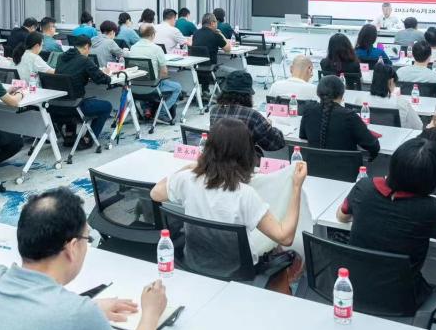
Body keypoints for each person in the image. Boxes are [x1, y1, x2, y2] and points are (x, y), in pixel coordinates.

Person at [0, 187, 168, 330]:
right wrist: (151, 313)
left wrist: (90, 307)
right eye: (87, 238)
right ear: (72, 247)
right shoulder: (76, 315)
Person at [150, 118, 307, 281]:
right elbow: (285, 237)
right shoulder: (245, 194)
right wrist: (296, 187)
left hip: (193, 264)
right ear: (247, 152)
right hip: (238, 274)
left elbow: (155, 193)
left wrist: (193, 167)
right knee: (282, 251)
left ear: (208, 148)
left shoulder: (187, 180)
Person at [336, 137, 436, 302]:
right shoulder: (431, 208)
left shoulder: (364, 187)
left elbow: (341, 217)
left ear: (393, 165)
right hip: (401, 297)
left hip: (355, 287)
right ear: (432, 177)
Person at [209, 70, 285, 154]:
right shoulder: (253, 116)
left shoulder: (214, 110)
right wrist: (268, 126)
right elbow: (276, 144)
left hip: (217, 160)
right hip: (244, 161)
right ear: (248, 95)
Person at [55, 35, 113, 144]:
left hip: (57, 105)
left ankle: (69, 134)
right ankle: (88, 139)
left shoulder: (61, 57)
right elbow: (102, 79)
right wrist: (106, 74)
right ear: (86, 46)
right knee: (107, 106)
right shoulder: (84, 60)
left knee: (70, 94)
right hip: (75, 107)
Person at [300, 76, 380, 155]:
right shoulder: (350, 116)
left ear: (318, 93)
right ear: (342, 93)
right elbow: (374, 146)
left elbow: (303, 136)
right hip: (346, 163)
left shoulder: (308, 111)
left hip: (314, 163)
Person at [127, 24, 181, 120]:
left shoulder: (133, 47)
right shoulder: (156, 49)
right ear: (152, 35)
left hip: (134, 87)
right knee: (177, 87)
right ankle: (162, 112)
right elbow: (164, 73)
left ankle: (146, 109)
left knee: (144, 80)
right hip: (152, 88)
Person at [367, 63, 423, 130]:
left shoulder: (361, 100)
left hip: (371, 135)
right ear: (391, 81)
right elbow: (418, 126)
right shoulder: (402, 103)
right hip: (397, 136)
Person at [191, 13, 232, 96]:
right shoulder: (215, 35)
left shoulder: (196, 33)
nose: (217, 24)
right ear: (212, 23)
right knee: (232, 73)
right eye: (216, 22)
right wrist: (221, 34)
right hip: (211, 71)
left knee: (205, 63)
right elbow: (228, 49)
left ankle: (205, 91)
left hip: (196, 70)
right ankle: (219, 95)